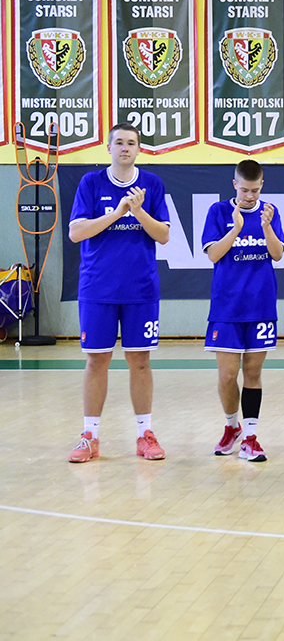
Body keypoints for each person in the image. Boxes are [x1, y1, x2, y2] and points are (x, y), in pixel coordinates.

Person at [66, 124, 171, 463]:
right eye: (119, 142)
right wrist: (117, 213)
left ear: (139, 149)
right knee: (97, 360)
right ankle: (90, 436)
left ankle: (145, 434)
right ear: (108, 148)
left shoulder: (152, 184)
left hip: (140, 289)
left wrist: (138, 211)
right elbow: (76, 233)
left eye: (131, 143)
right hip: (98, 288)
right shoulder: (91, 183)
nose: (125, 148)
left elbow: (163, 235)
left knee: (140, 361)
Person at [202, 159, 284, 463]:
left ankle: (250, 436)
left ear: (262, 186)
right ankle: (231, 426)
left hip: (261, 305)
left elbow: (277, 253)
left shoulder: (270, 213)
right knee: (227, 376)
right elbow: (213, 254)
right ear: (235, 184)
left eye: (255, 190)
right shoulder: (218, 212)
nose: (250, 196)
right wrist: (236, 229)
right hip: (226, 308)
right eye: (245, 190)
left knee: (252, 372)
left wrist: (266, 227)